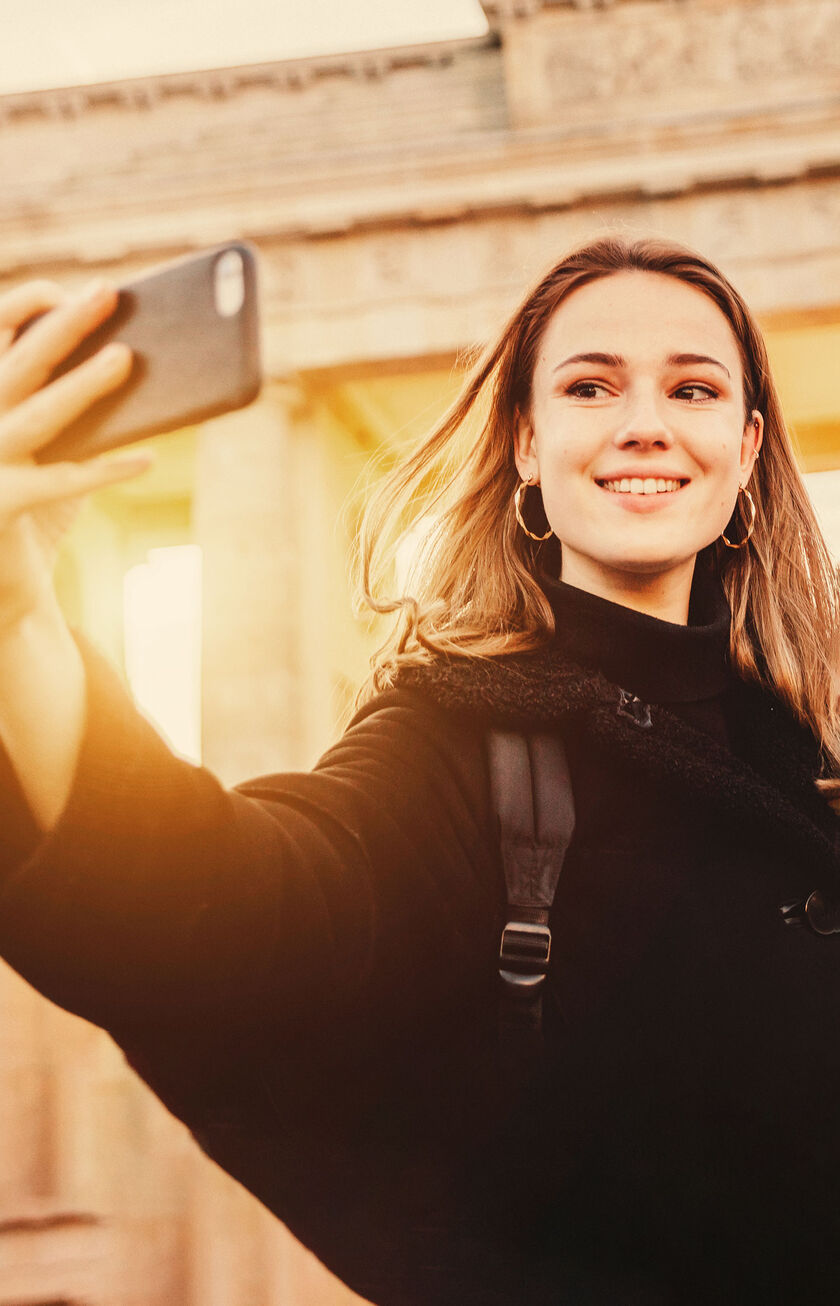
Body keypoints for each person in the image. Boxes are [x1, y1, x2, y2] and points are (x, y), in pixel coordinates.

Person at [0, 236, 838, 1306]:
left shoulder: (812, 753)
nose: (645, 422)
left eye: (693, 387)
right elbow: (218, 908)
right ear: (529, 441)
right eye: (591, 385)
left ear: (752, 443)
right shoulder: (457, 740)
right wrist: (19, 616)